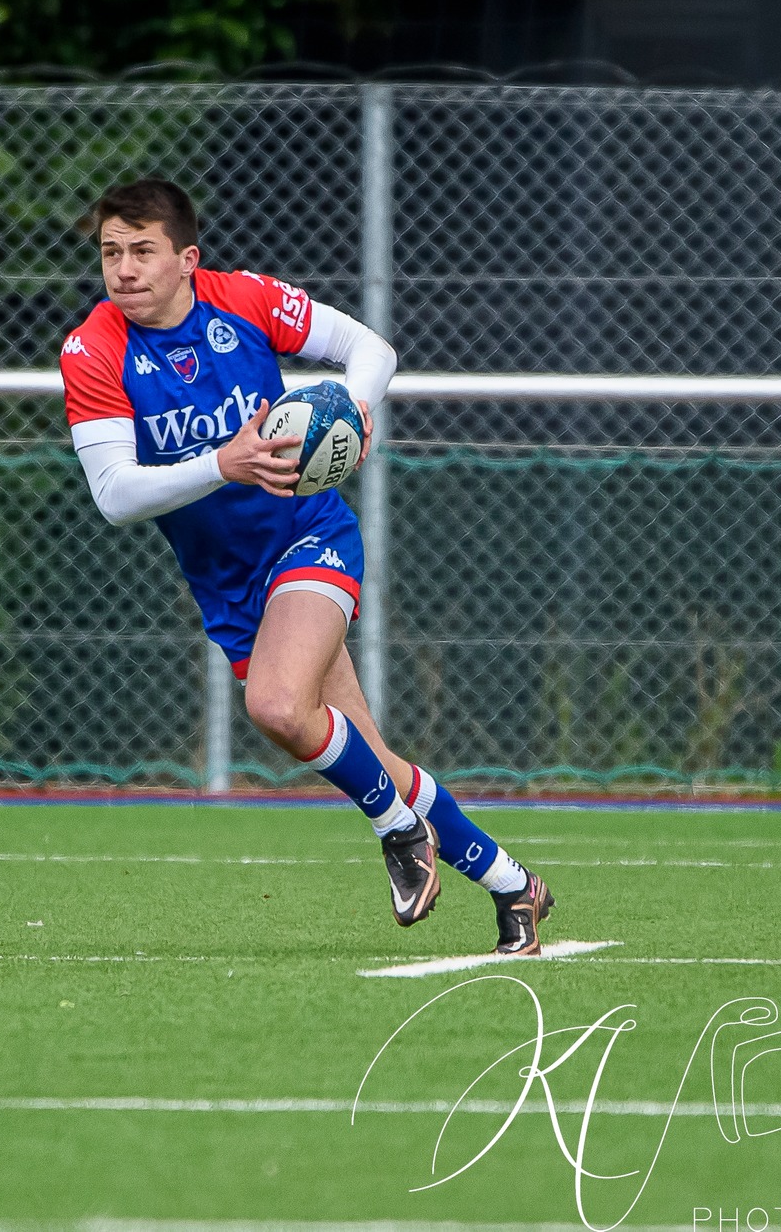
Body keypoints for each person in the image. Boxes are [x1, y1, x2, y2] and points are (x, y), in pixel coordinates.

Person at [58, 177, 554, 954]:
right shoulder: (93, 349)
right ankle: (514, 885)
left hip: (308, 536)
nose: (123, 268)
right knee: (372, 756)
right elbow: (115, 494)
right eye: (110, 252)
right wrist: (223, 463)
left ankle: (398, 831)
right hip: (227, 583)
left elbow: (372, 350)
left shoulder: (246, 300)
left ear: (188, 259)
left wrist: (356, 406)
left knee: (278, 706)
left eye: (142, 251)